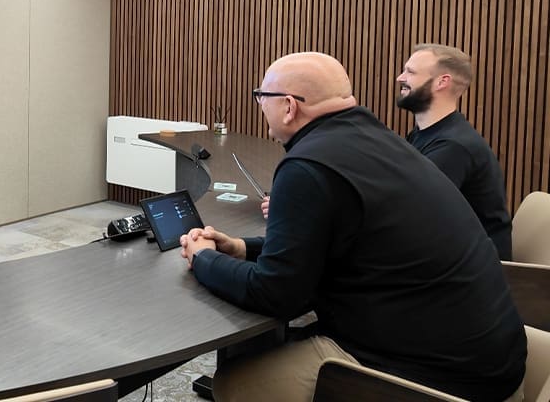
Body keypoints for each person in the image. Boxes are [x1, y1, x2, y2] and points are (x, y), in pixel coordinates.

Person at [179, 52, 525, 402]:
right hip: (493, 360)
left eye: (260, 97)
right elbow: (338, 238)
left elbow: (276, 295)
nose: (259, 105)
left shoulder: (307, 166)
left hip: (439, 382)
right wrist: (243, 248)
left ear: (288, 107)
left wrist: (203, 257)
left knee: (236, 384)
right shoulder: (378, 140)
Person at [396, 43, 512, 260]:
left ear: (442, 82)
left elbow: (412, 213)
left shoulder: (453, 147)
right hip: (449, 255)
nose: (400, 78)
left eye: (410, 72)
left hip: (472, 271)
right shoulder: (426, 134)